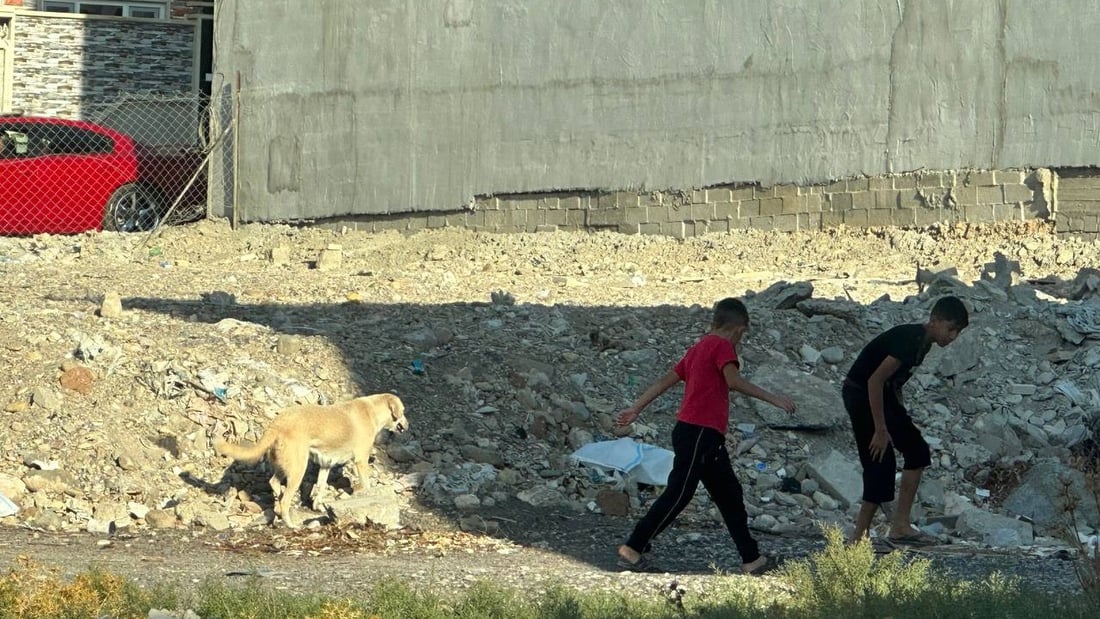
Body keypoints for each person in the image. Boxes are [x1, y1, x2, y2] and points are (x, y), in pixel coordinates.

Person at [615, 297, 796, 574]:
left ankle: (752, 558)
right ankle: (633, 548)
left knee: (729, 495)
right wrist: (774, 399)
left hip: (700, 435)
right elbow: (733, 381)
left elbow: (665, 381)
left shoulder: (697, 348)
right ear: (739, 329)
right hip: (699, 432)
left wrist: (636, 408)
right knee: (680, 492)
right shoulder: (722, 346)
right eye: (742, 334)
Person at [842, 295, 969, 546]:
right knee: (881, 460)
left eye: (958, 332)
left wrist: (901, 418)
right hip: (860, 393)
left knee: (917, 450)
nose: (953, 336)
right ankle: (858, 537)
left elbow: (895, 382)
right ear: (934, 320)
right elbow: (874, 381)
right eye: (950, 329)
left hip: (884, 394)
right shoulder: (909, 339)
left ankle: (900, 525)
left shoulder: (923, 345)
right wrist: (881, 429)